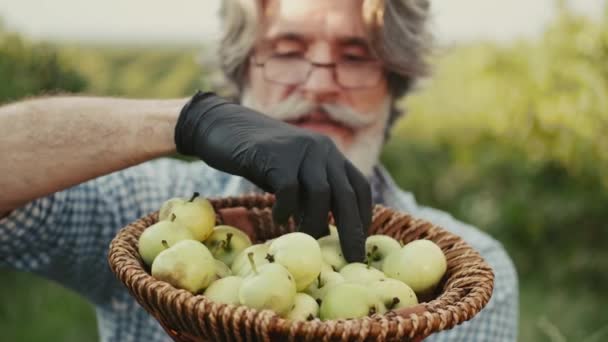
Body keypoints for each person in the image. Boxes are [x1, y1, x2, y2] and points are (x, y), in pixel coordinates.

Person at [0, 0, 518, 341]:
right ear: (242, 70)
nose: (319, 85)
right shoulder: (153, 214)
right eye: (287, 51)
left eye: (356, 56)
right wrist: (186, 120)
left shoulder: (460, 278)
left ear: (395, 83)